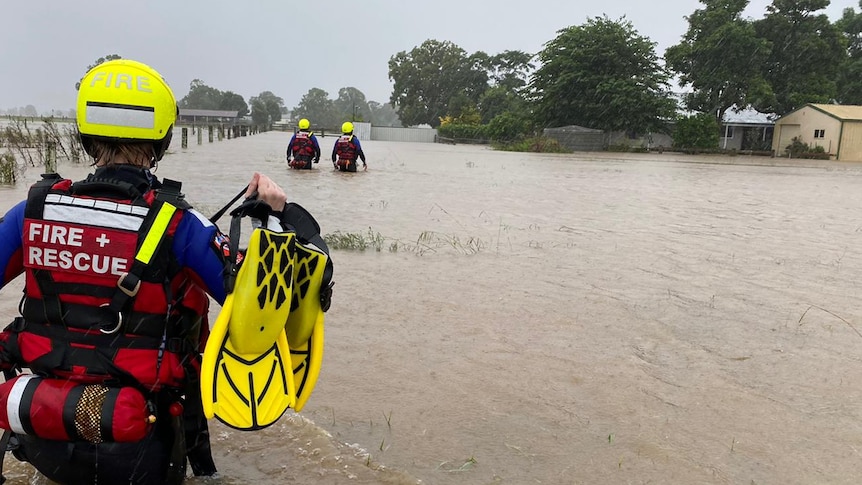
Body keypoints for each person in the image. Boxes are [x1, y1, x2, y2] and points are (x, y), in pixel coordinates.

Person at [0, 59, 332, 484]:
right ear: (163, 138)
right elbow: (262, 308)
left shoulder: (30, 211)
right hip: (140, 440)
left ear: (85, 134)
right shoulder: (181, 224)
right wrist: (278, 214)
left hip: (42, 426)